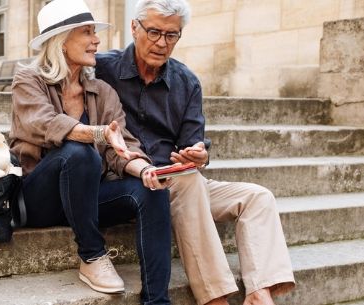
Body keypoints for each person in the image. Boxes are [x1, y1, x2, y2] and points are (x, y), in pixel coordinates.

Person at [95, 1, 296, 305]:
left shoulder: (186, 82)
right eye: (154, 32)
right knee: (187, 181)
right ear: (134, 27)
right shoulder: (103, 68)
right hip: (127, 181)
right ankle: (215, 297)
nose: (162, 43)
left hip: (176, 181)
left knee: (258, 197)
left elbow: (194, 145)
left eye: (172, 35)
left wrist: (199, 155)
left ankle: (259, 293)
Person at [9, 0, 173, 304]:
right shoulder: (28, 80)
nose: (96, 40)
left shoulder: (102, 91)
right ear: (61, 40)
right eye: (87, 32)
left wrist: (145, 170)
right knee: (80, 152)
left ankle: (157, 300)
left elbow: (122, 144)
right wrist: (97, 134)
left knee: (152, 191)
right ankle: (92, 254)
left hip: (88, 196)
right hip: (41, 198)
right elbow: (43, 123)